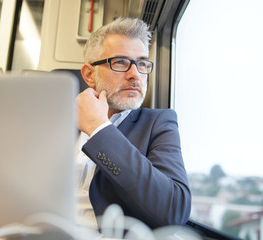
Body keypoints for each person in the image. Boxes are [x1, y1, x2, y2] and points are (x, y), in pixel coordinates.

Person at [75, 17, 191, 231]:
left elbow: (174, 210)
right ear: (90, 75)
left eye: (142, 63)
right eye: (120, 62)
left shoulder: (158, 123)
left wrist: (100, 128)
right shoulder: (61, 119)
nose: (135, 75)